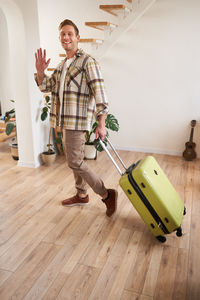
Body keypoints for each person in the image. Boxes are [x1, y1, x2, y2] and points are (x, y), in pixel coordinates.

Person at [34, 19, 117, 217]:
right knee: (75, 158)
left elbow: (100, 93)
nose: (66, 37)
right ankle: (81, 196)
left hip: (78, 121)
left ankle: (106, 194)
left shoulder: (88, 61)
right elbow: (47, 86)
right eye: (63, 34)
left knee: (75, 162)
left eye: (70, 33)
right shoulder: (63, 65)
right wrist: (40, 72)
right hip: (64, 121)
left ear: (78, 37)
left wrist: (102, 123)